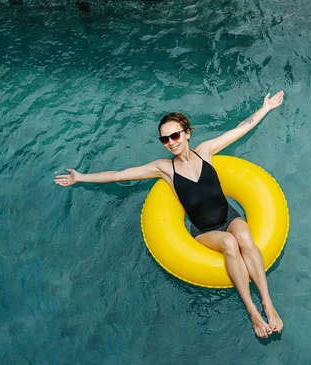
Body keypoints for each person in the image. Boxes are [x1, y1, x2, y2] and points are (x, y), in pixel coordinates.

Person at [54, 91, 285, 338]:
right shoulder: (164, 168)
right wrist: (81, 177)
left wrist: (266, 108)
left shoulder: (205, 151)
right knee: (229, 243)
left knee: (245, 238)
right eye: (165, 139)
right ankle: (251, 310)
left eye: (175, 135)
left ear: (187, 133)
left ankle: (267, 303)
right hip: (204, 230)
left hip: (229, 216)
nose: (171, 142)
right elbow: (120, 174)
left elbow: (240, 129)